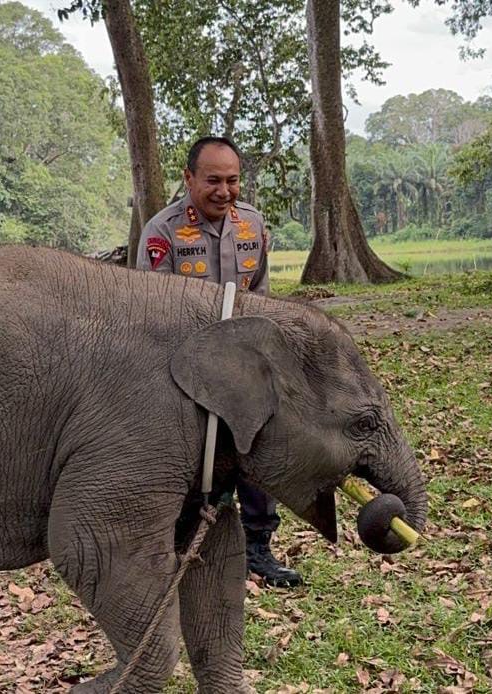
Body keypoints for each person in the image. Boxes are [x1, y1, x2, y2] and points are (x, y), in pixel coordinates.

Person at [137, 136, 302, 587]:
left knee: (257, 442)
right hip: (180, 367)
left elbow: (262, 298)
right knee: (188, 460)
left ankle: (257, 547)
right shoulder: (161, 233)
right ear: (189, 178)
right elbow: (152, 312)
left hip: (241, 365)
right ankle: (180, 545)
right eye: (212, 180)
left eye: (232, 181)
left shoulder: (252, 224)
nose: (223, 191)